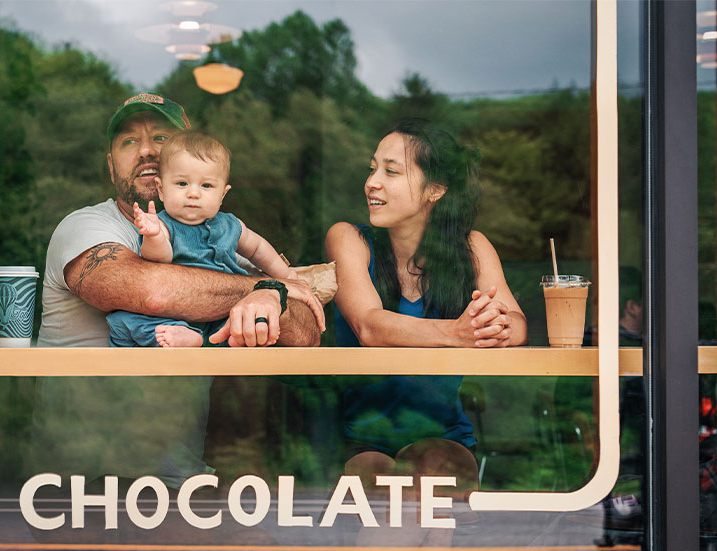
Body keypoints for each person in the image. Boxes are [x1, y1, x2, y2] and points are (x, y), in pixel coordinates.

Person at [29, 94, 324, 494]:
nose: (148, 150)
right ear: (110, 162)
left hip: (176, 479)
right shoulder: (86, 227)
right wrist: (264, 288)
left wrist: (272, 294)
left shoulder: (218, 236)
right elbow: (153, 291)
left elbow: (305, 332)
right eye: (128, 141)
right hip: (77, 482)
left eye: (163, 137)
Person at [324, 119, 527, 545]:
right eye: (372, 168)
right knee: (397, 497)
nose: (371, 183)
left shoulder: (471, 247)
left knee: (434, 466)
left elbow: (517, 324)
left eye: (391, 171)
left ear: (435, 189)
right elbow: (370, 326)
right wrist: (458, 332)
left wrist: (495, 324)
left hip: (446, 439)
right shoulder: (348, 239)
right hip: (361, 441)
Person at [107, 130, 299, 348]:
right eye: (182, 184)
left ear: (222, 195)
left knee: (249, 316)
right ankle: (187, 335)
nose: (193, 193)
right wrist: (153, 236)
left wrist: (285, 276)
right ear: (161, 190)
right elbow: (159, 257)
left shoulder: (231, 225)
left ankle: (232, 337)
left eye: (206, 186)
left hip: (224, 310)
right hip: (176, 312)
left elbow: (257, 249)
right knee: (123, 320)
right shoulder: (163, 224)